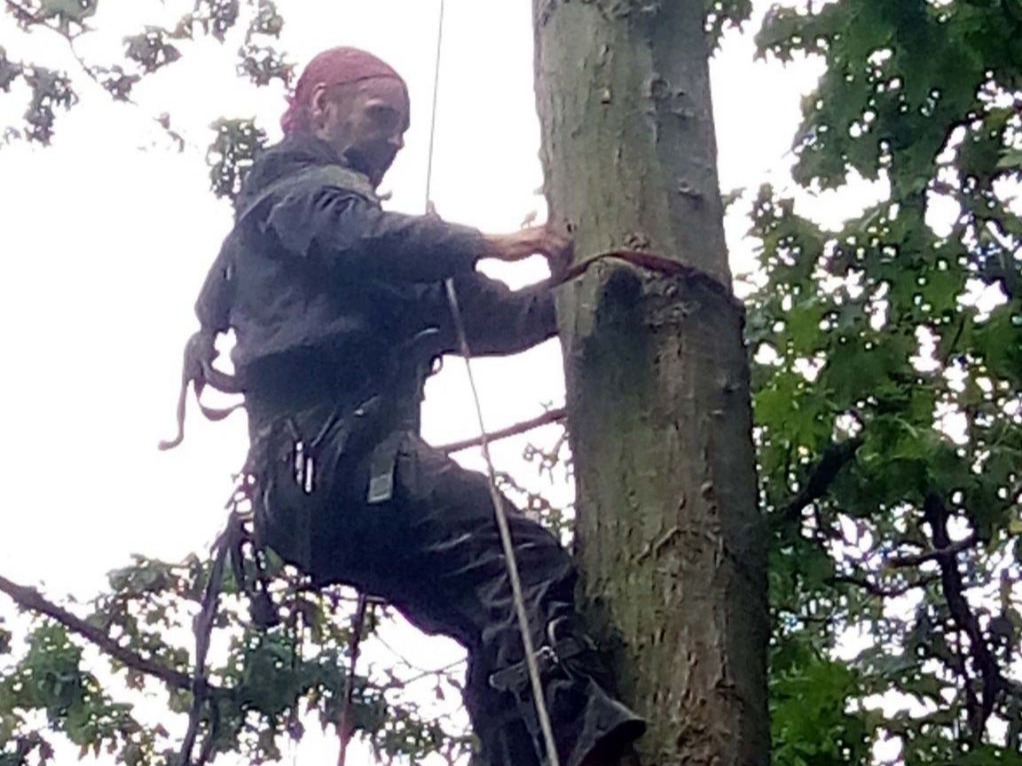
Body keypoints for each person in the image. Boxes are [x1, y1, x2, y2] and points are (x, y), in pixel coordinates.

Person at [175, 46, 645, 766]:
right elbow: (361, 237)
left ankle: (522, 750)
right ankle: (577, 733)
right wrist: (486, 242)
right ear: (321, 107)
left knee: (490, 613)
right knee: (520, 559)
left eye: (400, 128)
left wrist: (583, 290)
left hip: (335, 490)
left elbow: (488, 318)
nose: (394, 140)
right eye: (380, 117)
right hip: (335, 460)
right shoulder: (292, 194)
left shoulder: (361, 256)